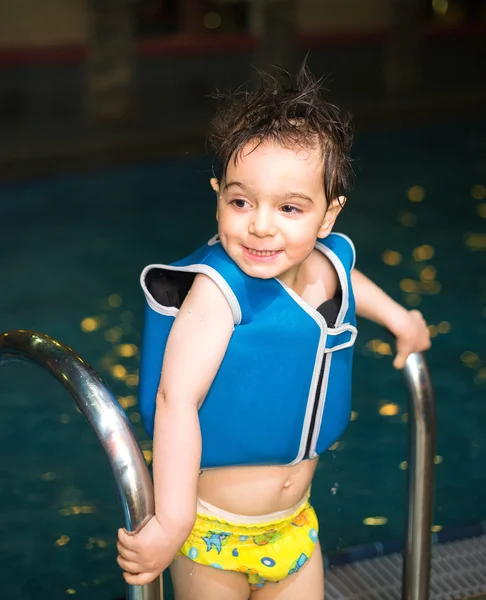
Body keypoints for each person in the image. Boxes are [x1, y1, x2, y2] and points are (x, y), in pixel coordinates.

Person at [116, 64, 431, 600]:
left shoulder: (325, 262)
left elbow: (350, 281)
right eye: (241, 202)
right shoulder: (217, 294)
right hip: (209, 531)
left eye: (289, 208)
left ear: (328, 216)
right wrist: (170, 521)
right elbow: (175, 399)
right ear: (218, 195)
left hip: (293, 526)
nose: (262, 225)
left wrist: (400, 318)